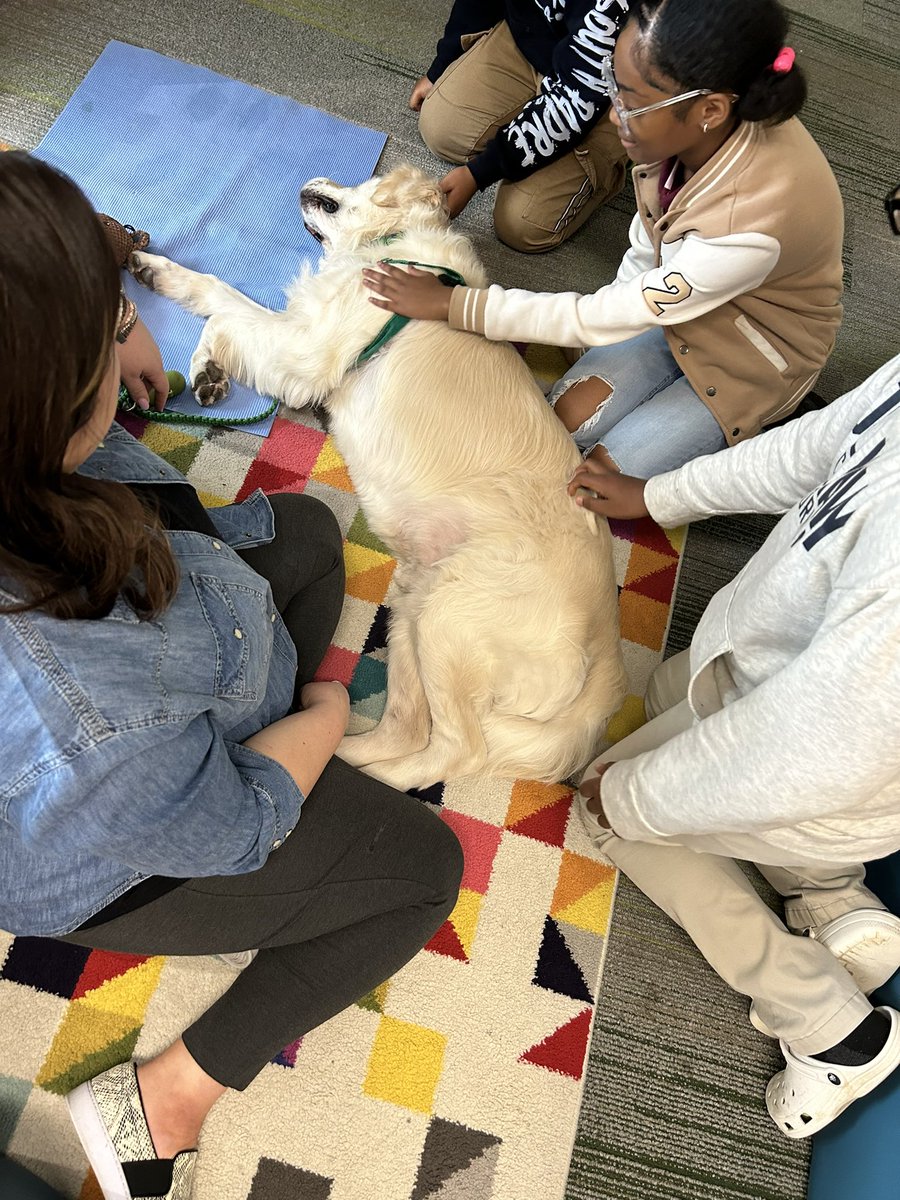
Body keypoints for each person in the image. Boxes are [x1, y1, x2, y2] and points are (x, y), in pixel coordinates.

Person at [0, 151, 464, 1200]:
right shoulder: (84, 704)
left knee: (300, 527)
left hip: (144, 685)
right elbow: (241, 816)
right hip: (116, 831)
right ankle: (161, 1104)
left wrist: (102, 334)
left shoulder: (43, 456)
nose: (126, 357)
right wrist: (324, 717)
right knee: (420, 871)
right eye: (97, 353)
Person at [564, 244, 900, 1139]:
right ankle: (828, 894)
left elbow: (822, 741)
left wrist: (633, 795)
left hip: (823, 761)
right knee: (668, 686)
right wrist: (658, 493)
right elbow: (814, 452)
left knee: (603, 805)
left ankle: (828, 1026)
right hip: (764, 678)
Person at [370, 0, 844, 480]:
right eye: (612, 84)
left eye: (631, 102)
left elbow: (598, 315)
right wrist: (614, 323)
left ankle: (776, 419)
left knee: (593, 476)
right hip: (674, 312)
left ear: (709, 109)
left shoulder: (747, 225)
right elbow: (646, 248)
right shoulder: (688, 133)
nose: (613, 115)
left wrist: (457, 305)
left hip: (745, 363)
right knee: (556, 429)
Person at [410, 0, 631, 252]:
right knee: (441, 128)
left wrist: (479, 172)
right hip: (533, 37)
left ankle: (620, 152)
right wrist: (442, 65)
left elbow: (576, 100)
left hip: (605, 86)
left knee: (522, 224)